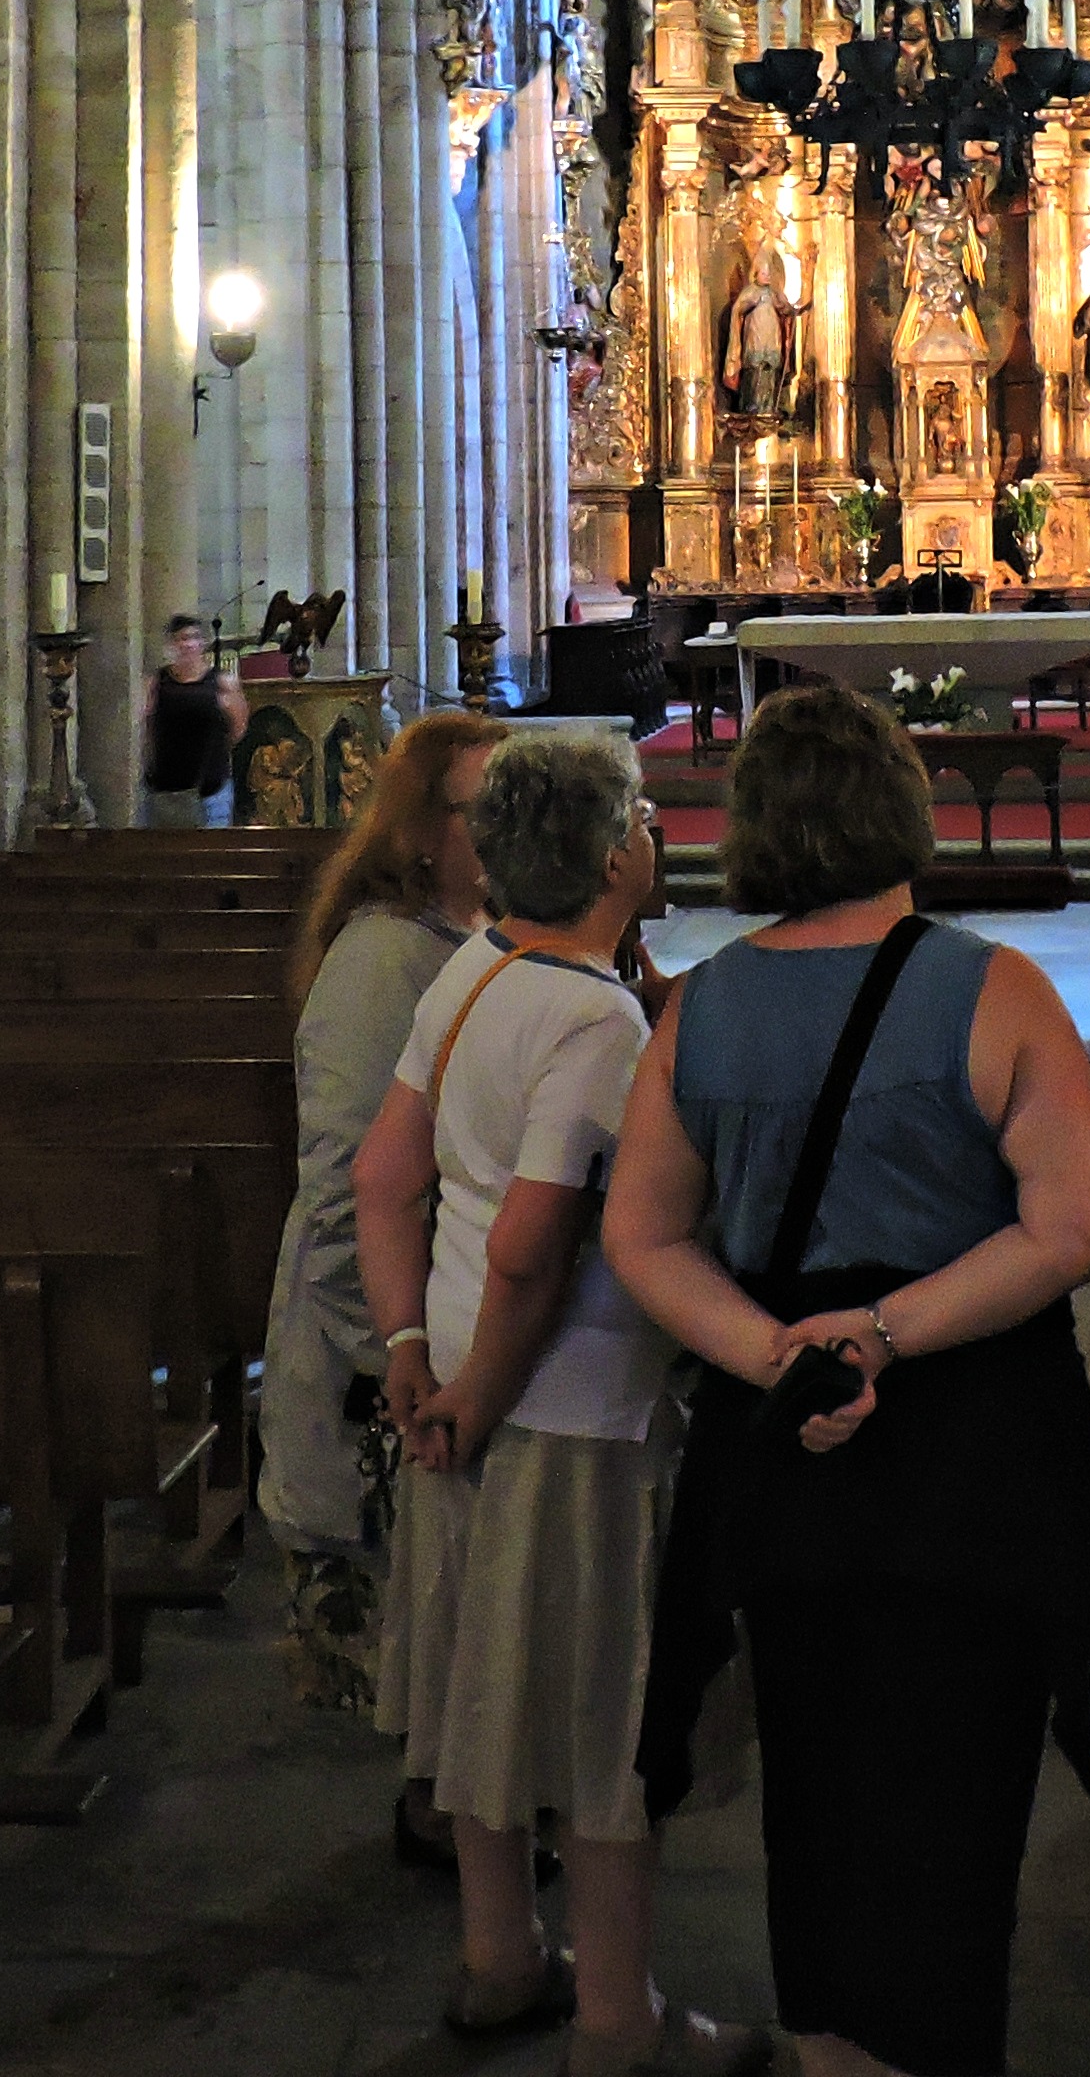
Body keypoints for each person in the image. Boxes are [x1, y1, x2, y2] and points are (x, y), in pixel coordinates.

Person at [608, 685, 1090, 2077]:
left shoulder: (698, 1009)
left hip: (789, 1443)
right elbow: (1075, 1227)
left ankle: (834, 2046)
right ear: (906, 809)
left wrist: (777, 1348)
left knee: (821, 1798)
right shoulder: (992, 988)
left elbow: (642, 1235)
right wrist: (887, 1333)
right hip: (974, 1452)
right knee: (955, 1810)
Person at [355, 727, 763, 2077]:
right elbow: (538, 1242)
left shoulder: (477, 969)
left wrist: (413, 1347)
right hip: (563, 1413)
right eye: (641, 816)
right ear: (611, 855)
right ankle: (618, 2024)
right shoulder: (590, 1021)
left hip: (458, 1388)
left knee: (483, 1696)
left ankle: (500, 1957)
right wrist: (473, 1392)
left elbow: (384, 1177)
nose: (655, 833)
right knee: (598, 1719)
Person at [258, 706, 508, 1801]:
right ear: (420, 834)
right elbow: (344, 1206)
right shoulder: (379, 968)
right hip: (383, 1389)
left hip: (437, 1362)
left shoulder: (467, 941)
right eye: (484, 812)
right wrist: (405, 1364)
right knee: (430, 1671)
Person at [143, 614, 249, 827]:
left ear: (202, 644)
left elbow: (238, 729)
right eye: (182, 639)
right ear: (172, 645)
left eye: (193, 638)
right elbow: (147, 729)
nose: (188, 644)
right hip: (165, 789)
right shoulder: (157, 683)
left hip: (210, 790)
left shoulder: (222, 683)